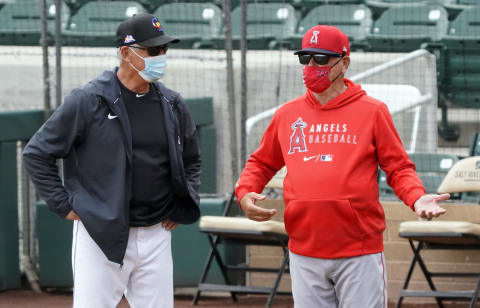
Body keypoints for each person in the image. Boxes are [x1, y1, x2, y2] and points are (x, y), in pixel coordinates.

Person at [235, 25, 449, 308]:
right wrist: (246, 192)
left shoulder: (372, 111)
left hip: (357, 251)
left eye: (321, 59)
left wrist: (416, 196)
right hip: (304, 248)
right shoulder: (287, 114)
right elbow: (261, 162)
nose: (311, 66)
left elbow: (398, 168)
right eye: (305, 58)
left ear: (344, 62)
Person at [23, 13, 201, 308]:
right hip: (100, 232)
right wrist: (63, 204)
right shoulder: (88, 99)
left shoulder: (172, 103)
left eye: (164, 50)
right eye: (153, 50)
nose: (161, 56)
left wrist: (183, 200)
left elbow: (192, 160)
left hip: (156, 231)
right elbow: (37, 153)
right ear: (125, 53)